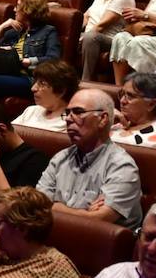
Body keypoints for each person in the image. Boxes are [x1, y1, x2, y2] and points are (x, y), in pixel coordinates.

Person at [36, 88, 142, 227]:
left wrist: (54, 206)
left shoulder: (122, 166)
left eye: (78, 112)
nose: (68, 118)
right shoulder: (60, 158)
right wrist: (85, 213)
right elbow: (37, 206)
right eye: (67, 113)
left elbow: (97, 221)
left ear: (102, 119)